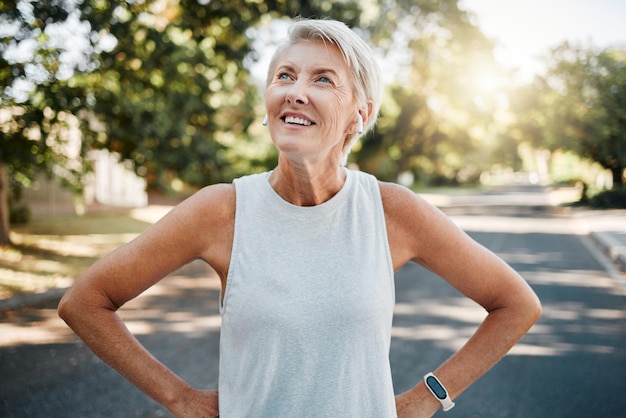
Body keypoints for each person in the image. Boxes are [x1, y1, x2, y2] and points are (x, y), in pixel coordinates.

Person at [58, 18, 542, 418]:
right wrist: (179, 397)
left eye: (323, 80)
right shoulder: (222, 210)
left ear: (358, 115)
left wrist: (427, 397)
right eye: (284, 76)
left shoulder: (391, 211)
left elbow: (516, 304)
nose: (296, 92)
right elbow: (86, 301)